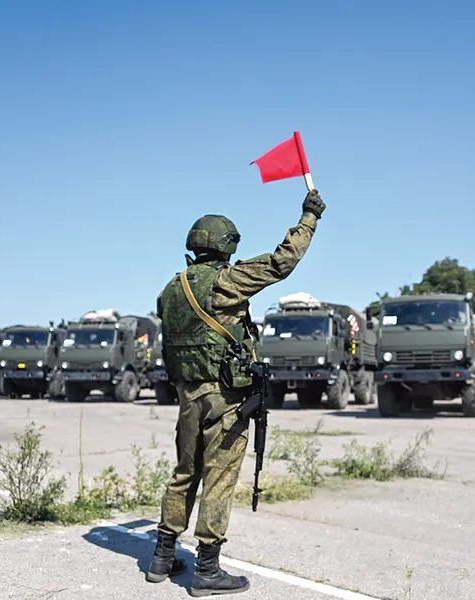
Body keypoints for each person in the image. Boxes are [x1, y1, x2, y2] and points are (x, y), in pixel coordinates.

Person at [146, 189, 326, 596]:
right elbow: (282, 262)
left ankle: (161, 557)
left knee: (183, 473)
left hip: (186, 395)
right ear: (226, 247)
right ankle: (207, 570)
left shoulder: (170, 289)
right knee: (220, 478)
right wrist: (309, 217)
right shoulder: (228, 281)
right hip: (224, 398)